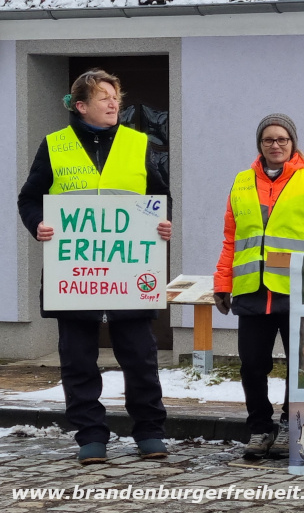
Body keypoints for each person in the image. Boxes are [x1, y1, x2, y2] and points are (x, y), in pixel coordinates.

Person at [17, 69, 173, 464]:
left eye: (116, 96)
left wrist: (162, 222)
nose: (114, 103)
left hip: (127, 273)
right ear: (81, 105)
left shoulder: (138, 143)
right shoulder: (55, 145)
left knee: (140, 358)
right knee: (78, 360)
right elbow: (29, 198)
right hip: (74, 274)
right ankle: (90, 436)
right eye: (104, 97)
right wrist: (38, 224)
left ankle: (150, 431)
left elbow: (159, 196)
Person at [213, 113, 304, 459]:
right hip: (252, 290)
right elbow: (231, 239)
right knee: (252, 365)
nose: (276, 145)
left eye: (282, 139)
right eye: (268, 139)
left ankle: (288, 426)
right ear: (260, 144)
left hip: (296, 289)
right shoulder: (241, 182)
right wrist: (222, 283)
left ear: (292, 143)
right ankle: (259, 428)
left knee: (300, 364)